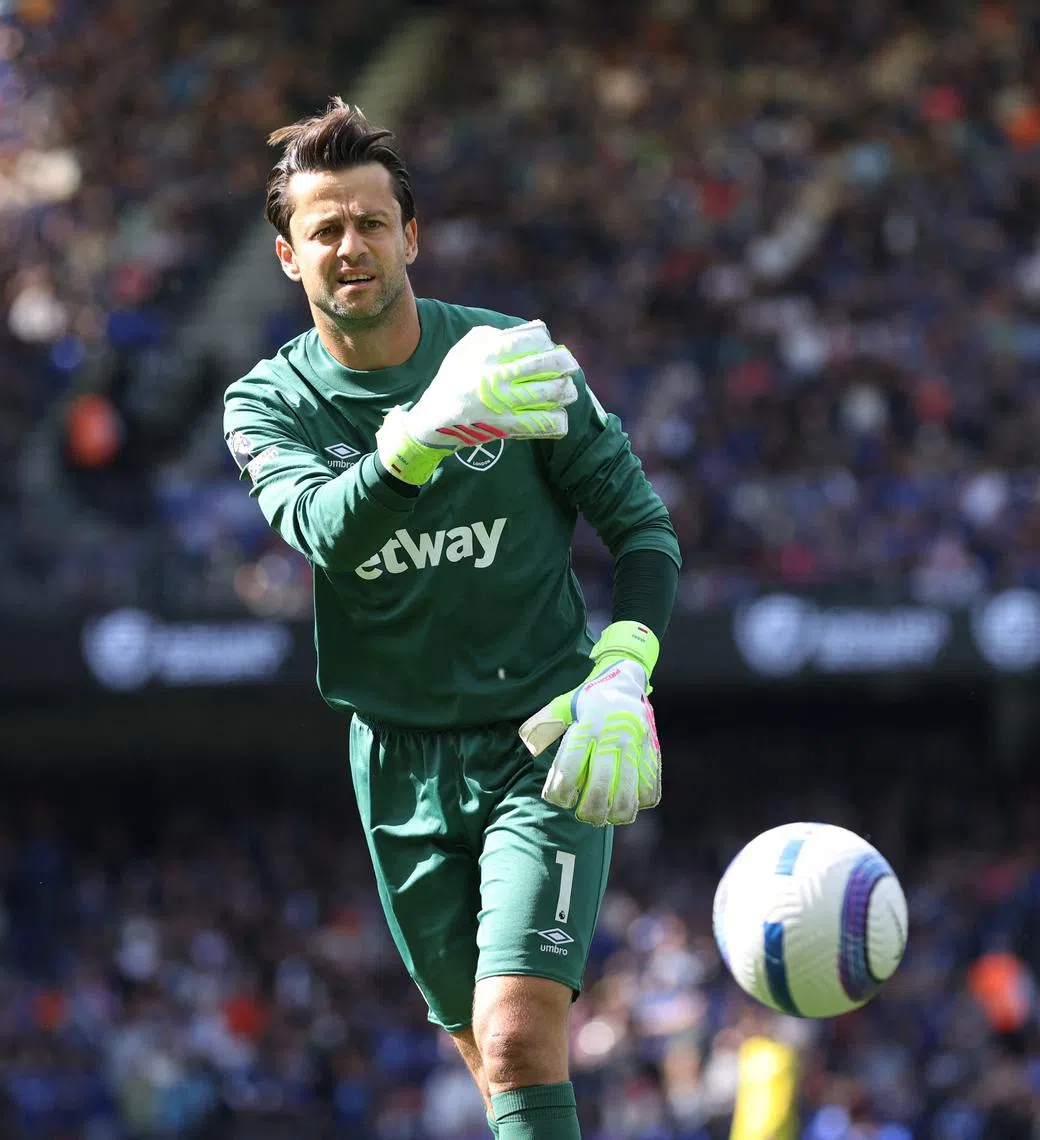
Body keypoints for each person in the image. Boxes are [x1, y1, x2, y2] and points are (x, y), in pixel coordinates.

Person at [222, 97, 681, 1139]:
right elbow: (319, 528)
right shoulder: (267, 404)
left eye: (372, 222)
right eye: (325, 228)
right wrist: (417, 435)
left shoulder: (512, 359)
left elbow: (644, 535)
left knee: (519, 1034)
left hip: (541, 737)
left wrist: (623, 668)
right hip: (397, 758)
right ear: (289, 255)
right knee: (490, 1063)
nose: (352, 244)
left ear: (411, 236)